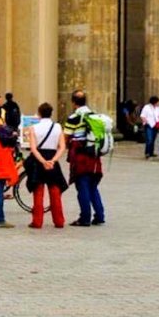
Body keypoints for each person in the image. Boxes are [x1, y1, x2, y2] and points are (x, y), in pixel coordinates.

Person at [22, 102, 67, 230]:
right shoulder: (57, 127)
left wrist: (43, 161)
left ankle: (37, 221)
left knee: (38, 192)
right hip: (52, 158)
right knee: (55, 191)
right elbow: (62, 147)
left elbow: (33, 148)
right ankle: (59, 221)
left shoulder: (34, 128)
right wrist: (52, 161)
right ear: (51, 113)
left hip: (38, 160)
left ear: (39, 113)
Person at [66, 90, 107, 226]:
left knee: (82, 187)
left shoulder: (74, 118)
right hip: (94, 157)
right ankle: (99, 215)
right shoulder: (95, 116)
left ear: (73, 102)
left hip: (81, 157)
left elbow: (66, 137)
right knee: (93, 187)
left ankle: (85, 218)